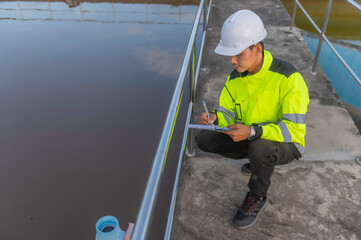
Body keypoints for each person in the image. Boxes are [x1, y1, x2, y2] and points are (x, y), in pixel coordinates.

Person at [195, 10, 309, 229]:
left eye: (237, 53)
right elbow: (229, 112)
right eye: (230, 54)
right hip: (252, 136)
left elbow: (293, 130)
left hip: (286, 143)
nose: (232, 60)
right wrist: (216, 118)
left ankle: (257, 196)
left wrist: (253, 132)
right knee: (204, 139)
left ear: (257, 48)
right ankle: (258, 162)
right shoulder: (235, 78)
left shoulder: (289, 78)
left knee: (260, 149)